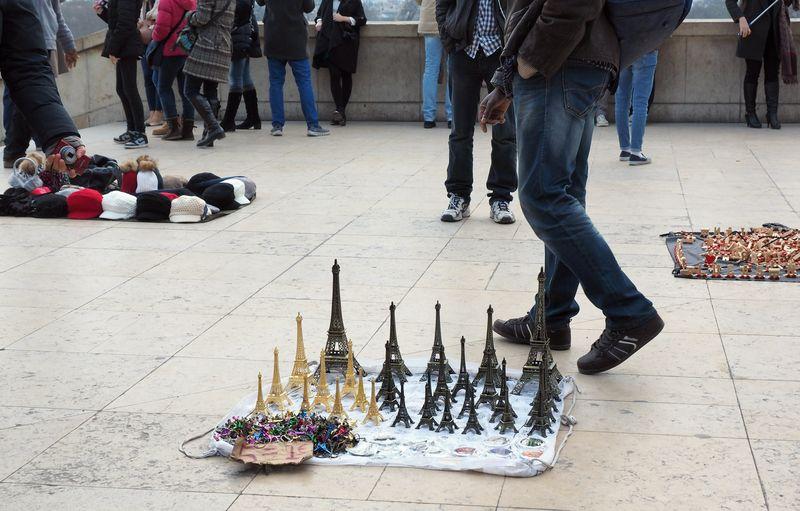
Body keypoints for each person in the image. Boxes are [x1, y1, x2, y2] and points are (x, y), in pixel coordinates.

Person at [481, 0, 664, 375]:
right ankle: (551, 316)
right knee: (564, 196)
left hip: (561, 63)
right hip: (575, 62)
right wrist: (507, 82)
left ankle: (629, 311)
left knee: (544, 196)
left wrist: (531, 62)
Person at [436, 0, 517, 225]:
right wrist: (449, 40)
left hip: (501, 53)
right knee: (460, 131)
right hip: (464, 51)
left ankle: (501, 198)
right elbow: (442, 6)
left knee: (505, 131)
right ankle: (458, 195)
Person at [1, 0, 87, 172]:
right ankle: (14, 148)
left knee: (17, 103)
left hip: (40, 44)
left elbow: (28, 71)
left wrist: (60, 134)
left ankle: (16, 148)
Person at [258, 0, 330, 137]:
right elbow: (309, 8)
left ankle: (277, 125)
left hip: (273, 37)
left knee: (276, 83)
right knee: (304, 83)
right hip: (296, 40)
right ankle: (313, 125)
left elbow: (260, 2)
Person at [726, 0, 797, 129]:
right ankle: (750, 113)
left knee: (772, 73)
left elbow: (786, 3)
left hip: (775, 30)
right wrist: (740, 18)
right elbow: (730, 2)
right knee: (752, 72)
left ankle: (772, 114)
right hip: (752, 29)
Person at [182, 0, 235, 148]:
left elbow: (201, 18)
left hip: (206, 45)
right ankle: (209, 135)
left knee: (190, 90)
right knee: (211, 90)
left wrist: (189, 15)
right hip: (223, 45)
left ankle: (213, 127)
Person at [96, 0, 149, 149]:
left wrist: (113, 49)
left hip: (127, 45)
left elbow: (125, 24)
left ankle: (140, 133)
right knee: (122, 89)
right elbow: (116, 21)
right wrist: (103, 13)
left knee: (130, 90)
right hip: (123, 45)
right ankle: (132, 130)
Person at [313, 0, 367, 126]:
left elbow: (362, 20)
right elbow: (319, 15)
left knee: (346, 75)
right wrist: (319, 22)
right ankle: (340, 111)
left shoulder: (354, 1)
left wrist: (344, 18)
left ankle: (340, 111)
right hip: (330, 43)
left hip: (346, 43)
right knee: (334, 75)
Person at [152, 0, 197, 141]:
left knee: (163, 88)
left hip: (170, 51)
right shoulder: (193, 2)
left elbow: (161, 29)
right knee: (186, 92)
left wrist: (154, 36)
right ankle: (188, 130)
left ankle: (174, 128)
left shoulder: (166, 1)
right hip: (186, 49)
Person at [220, 0, 262, 132]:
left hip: (239, 36)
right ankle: (253, 117)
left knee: (235, 78)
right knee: (245, 76)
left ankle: (229, 120)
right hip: (246, 35)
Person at [615, 50, 658, 165]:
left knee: (621, 100)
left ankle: (625, 150)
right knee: (641, 102)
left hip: (625, 50)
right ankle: (636, 152)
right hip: (646, 49)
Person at [417, 0, 451, 129]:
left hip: (429, 20)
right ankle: (452, 116)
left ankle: (428, 117)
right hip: (450, 21)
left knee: (430, 69)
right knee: (452, 69)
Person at [139, 0, 164, 128]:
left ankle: (159, 112)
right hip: (144, 43)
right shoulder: (142, 4)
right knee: (148, 77)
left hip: (156, 42)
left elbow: (162, 19)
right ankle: (152, 111)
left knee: (157, 77)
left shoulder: (158, 2)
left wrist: (149, 25)